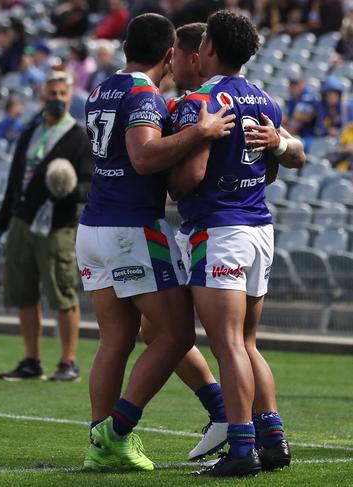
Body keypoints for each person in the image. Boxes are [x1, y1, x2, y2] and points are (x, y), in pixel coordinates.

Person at [75, 13, 235, 471]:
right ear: (169, 55)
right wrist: (199, 132)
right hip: (131, 229)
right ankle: (115, 434)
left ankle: (98, 441)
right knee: (177, 332)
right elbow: (143, 157)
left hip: (95, 228)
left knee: (116, 340)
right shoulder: (144, 93)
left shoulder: (102, 88)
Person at [169, 10, 305, 476]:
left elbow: (192, 176)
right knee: (246, 342)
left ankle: (242, 449)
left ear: (207, 48)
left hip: (218, 229)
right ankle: (274, 441)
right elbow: (281, 162)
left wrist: (165, 178)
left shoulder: (201, 101)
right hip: (258, 227)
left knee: (227, 345)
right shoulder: (267, 101)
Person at [0, 71, 93, 382]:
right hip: (23, 222)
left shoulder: (78, 137)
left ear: (70, 95)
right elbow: (13, 181)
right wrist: (2, 223)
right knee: (23, 294)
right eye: (52, 93)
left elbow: (90, 185)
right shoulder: (30, 132)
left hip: (57, 226)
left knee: (62, 293)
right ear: (42, 96)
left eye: (63, 93)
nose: (57, 99)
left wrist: (68, 190)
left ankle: (68, 362)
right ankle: (32, 360)